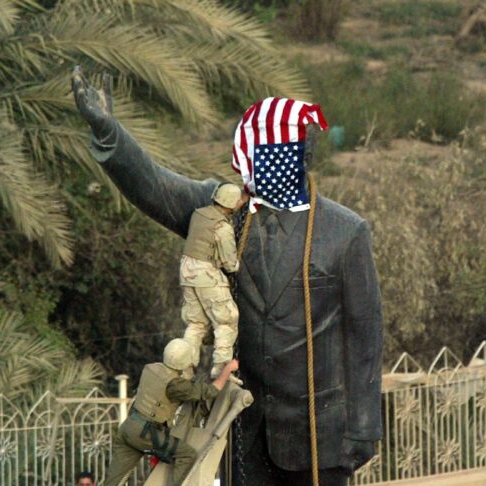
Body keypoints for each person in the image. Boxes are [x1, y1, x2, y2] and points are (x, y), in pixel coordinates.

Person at [73, 68, 383, 486]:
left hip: (318, 435)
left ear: (302, 157)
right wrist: (109, 134)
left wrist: (363, 427)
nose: (266, 164)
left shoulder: (345, 232)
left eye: (279, 152)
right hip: (242, 430)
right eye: (260, 152)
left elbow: (364, 337)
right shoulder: (221, 213)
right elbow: (156, 187)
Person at [104, 339, 239, 486]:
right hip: (147, 433)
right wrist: (227, 370)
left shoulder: (151, 368)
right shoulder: (175, 385)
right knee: (187, 454)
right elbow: (210, 391)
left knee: (113, 482)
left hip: (128, 428)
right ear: (185, 361)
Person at [181, 182, 246, 383]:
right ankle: (221, 368)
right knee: (227, 318)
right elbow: (229, 263)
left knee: (196, 324)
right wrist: (237, 265)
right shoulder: (223, 227)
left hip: (186, 271)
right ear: (231, 203)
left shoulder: (198, 214)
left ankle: (184, 369)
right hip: (206, 275)